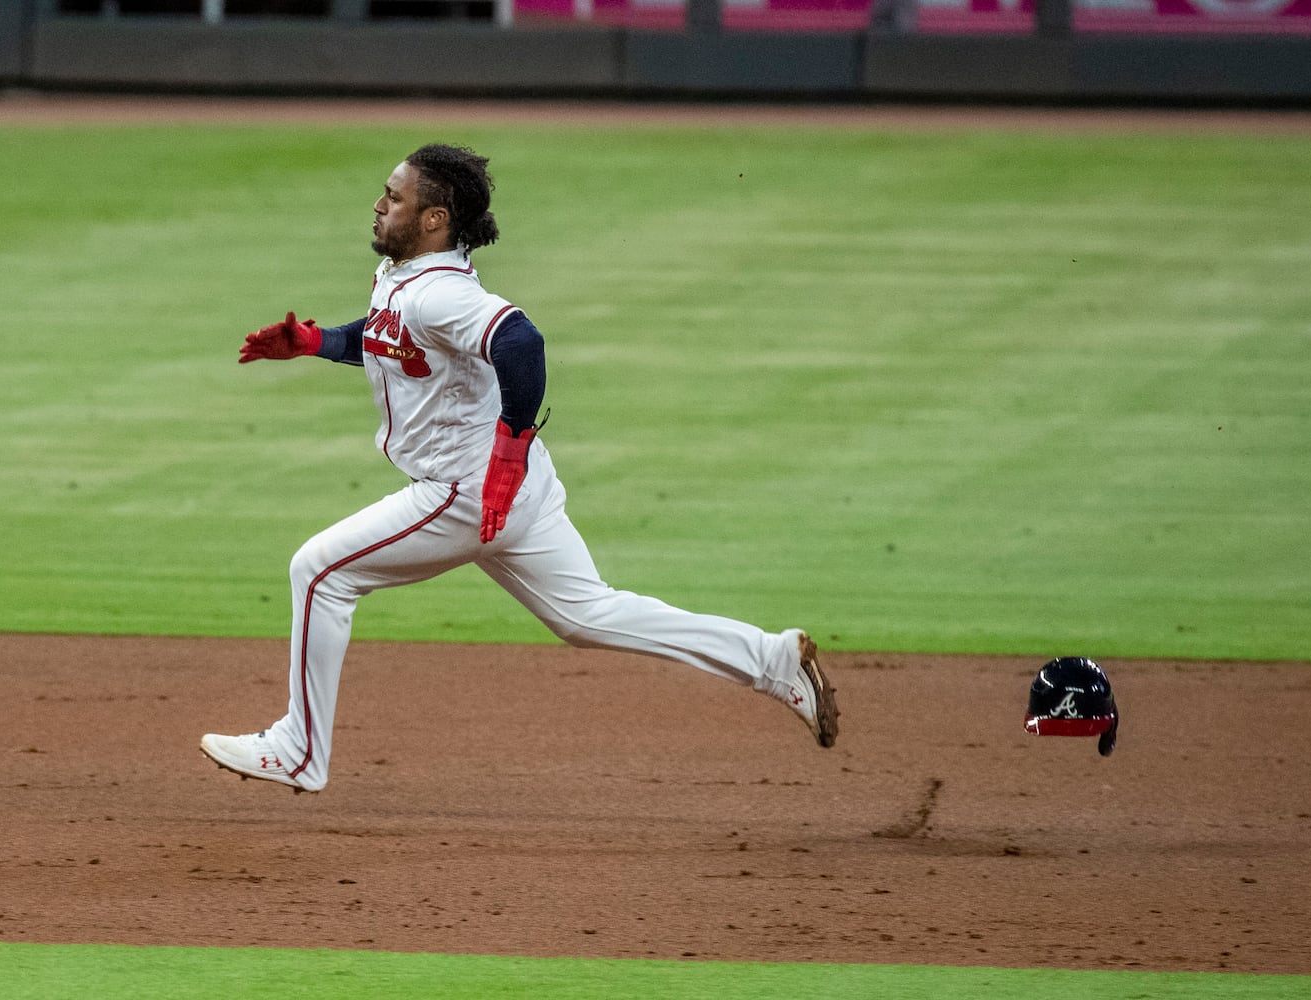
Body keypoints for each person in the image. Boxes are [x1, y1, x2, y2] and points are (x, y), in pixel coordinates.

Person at [199, 144, 839, 794]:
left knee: (319, 572)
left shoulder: (440, 293)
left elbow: (520, 341)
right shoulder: (414, 281)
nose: (378, 203)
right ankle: (772, 659)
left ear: (434, 218)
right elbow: (392, 337)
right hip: (517, 489)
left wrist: (508, 445)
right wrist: (317, 343)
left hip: (468, 491)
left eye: (394, 196)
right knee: (587, 615)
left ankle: (300, 749)